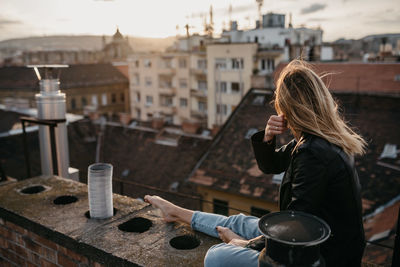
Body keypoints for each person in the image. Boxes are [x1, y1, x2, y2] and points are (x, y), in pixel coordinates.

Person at [145, 60, 366, 267]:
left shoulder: (313, 153)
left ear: (288, 109)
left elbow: (295, 227)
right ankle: (175, 212)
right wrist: (268, 137)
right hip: (318, 247)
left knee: (217, 256)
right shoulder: (317, 141)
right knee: (239, 221)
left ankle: (188, 219)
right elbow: (271, 166)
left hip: (320, 258)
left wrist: (244, 244)